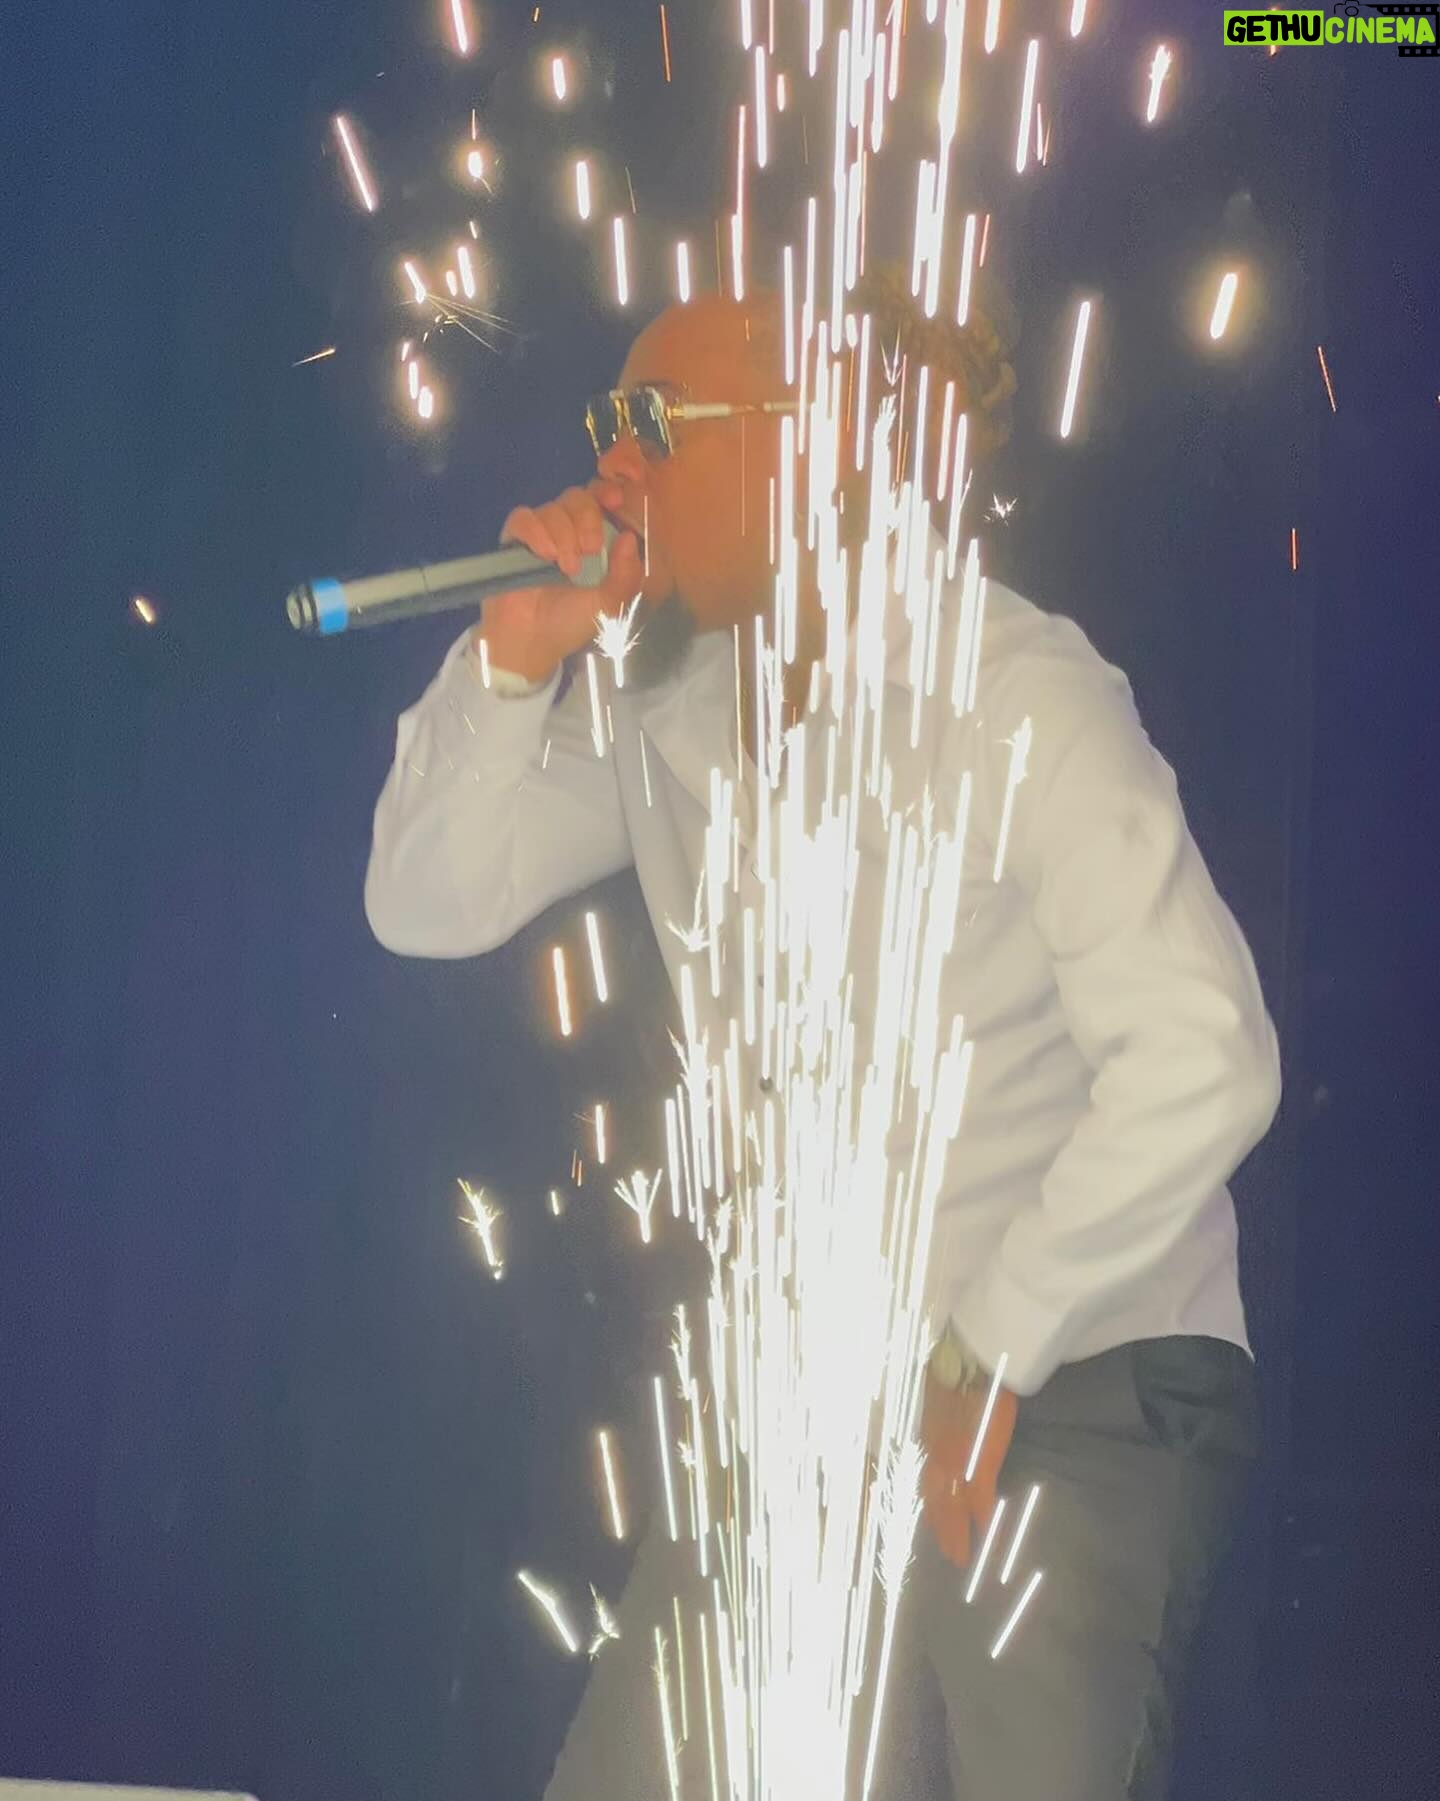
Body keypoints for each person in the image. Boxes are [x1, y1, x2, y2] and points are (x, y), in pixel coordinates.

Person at [364, 278, 1281, 1800]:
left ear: (824, 438)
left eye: (655, 422)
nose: (613, 463)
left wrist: (987, 1347)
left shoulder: (1016, 694)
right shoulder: (667, 706)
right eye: (606, 421)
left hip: (1077, 1373)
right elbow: (425, 902)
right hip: (816, 1403)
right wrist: (513, 659)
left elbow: (1204, 1056)